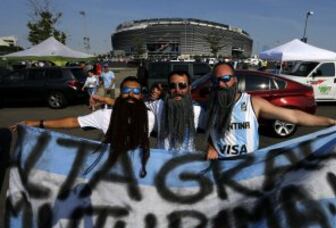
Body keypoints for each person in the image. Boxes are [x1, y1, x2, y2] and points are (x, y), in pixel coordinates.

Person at [206, 62, 336, 160]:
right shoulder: (210, 105)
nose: (221, 84)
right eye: (216, 80)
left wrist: (331, 121)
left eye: (226, 78)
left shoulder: (253, 103)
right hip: (220, 167)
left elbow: (294, 116)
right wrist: (211, 146)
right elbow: (209, 132)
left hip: (248, 166)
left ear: (235, 80)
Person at [10, 76, 154, 138]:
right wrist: (35, 123)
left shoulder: (150, 115)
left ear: (141, 95)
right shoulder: (104, 115)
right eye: (126, 91)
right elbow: (72, 122)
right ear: (120, 94)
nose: (131, 94)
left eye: (135, 91)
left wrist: (104, 99)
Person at [150, 71, 203, 152]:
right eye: (172, 86)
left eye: (182, 86)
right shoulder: (158, 105)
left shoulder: (197, 109)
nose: (177, 90)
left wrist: (211, 146)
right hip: (163, 160)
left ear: (189, 88)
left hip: (187, 160)